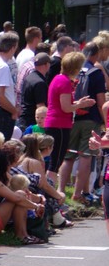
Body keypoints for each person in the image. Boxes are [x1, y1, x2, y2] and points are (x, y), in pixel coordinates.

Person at [59, 42, 107, 202]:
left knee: (69, 156)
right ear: (96, 54)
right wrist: (105, 122)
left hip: (73, 117)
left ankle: (61, 191)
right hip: (91, 119)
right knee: (86, 155)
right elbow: (101, 102)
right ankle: (78, 194)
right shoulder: (96, 73)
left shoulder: (75, 70)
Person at [0, 148, 46, 244]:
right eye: (8, 165)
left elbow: (20, 190)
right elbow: (17, 198)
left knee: (20, 194)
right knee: (19, 196)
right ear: (2, 166)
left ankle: (23, 235)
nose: (10, 167)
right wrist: (36, 206)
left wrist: (39, 198)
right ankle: (22, 235)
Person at [44, 52, 95, 185]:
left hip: (55, 123)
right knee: (55, 162)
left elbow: (63, 104)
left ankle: (49, 190)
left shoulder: (58, 78)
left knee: (54, 161)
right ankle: (49, 191)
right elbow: (66, 108)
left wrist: (78, 102)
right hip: (59, 125)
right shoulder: (65, 82)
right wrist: (81, 105)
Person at [18, 52, 51, 132]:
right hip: (33, 123)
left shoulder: (29, 77)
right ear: (47, 65)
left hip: (24, 119)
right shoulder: (40, 82)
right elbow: (40, 106)